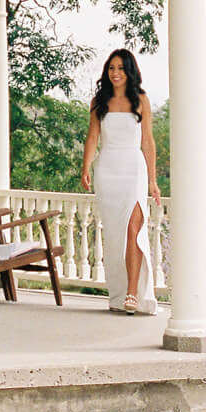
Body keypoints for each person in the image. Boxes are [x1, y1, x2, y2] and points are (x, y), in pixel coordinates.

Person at [80, 48, 161, 315]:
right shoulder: (99, 101)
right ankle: (117, 294)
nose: (115, 73)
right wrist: (86, 167)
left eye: (121, 68)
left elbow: (148, 141)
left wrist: (152, 180)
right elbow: (92, 137)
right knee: (115, 235)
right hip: (108, 170)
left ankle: (133, 294)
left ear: (130, 72)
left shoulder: (141, 99)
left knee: (133, 231)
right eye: (112, 68)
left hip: (133, 170)